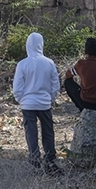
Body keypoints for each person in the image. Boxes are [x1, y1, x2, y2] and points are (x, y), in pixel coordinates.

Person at [13, 32, 63, 175]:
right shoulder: (49, 63)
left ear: (27, 45)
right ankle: (50, 159)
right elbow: (56, 85)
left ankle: (34, 159)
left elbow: (17, 88)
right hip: (44, 103)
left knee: (31, 131)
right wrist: (50, 99)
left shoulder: (22, 64)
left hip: (28, 103)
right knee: (48, 131)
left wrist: (21, 100)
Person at [64, 37, 96, 112]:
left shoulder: (81, 64)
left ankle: (81, 109)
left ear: (85, 51)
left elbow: (67, 75)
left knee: (67, 82)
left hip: (87, 101)